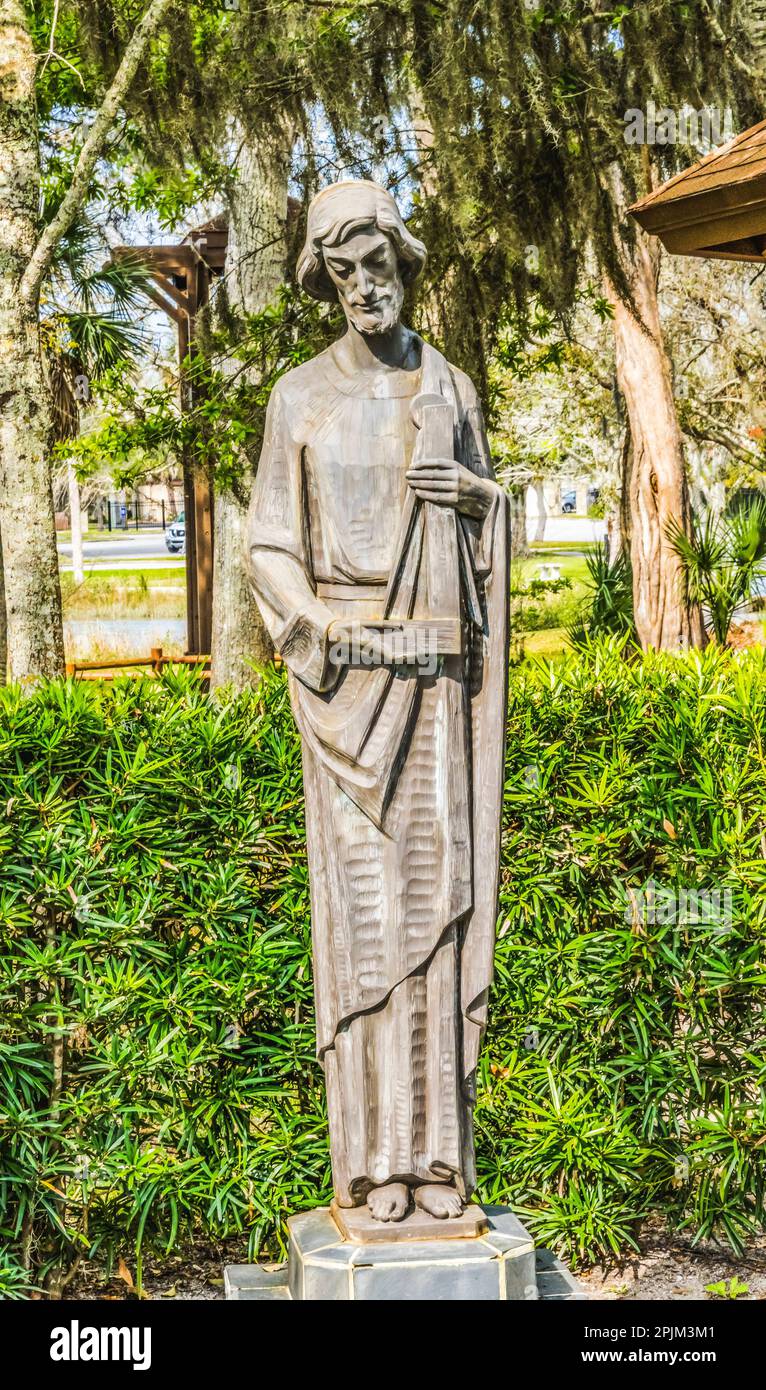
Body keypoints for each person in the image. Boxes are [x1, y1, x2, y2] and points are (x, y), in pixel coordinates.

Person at [247, 179, 509, 1223]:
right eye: (343, 272)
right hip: (348, 689)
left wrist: (478, 499)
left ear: (405, 266)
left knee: (434, 917)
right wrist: (336, 631)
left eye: (380, 267)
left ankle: (438, 1163)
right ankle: (372, 1169)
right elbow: (270, 546)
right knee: (364, 925)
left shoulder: (447, 387)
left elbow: (493, 524)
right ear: (323, 281)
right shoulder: (296, 397)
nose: (366, 288)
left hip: (438, 685)